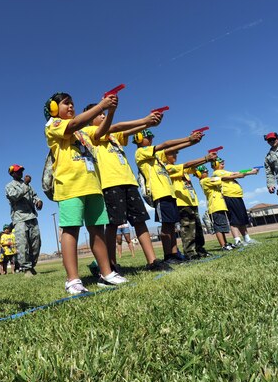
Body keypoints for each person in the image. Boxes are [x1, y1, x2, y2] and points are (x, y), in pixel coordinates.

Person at [44, 91, 127, 294]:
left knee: (97, 229)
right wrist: (100, 106)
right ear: (54, 110)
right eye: (66, 104)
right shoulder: (53, 125)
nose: (71, 106)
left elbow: (101, 132)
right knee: (71, 229)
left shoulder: (84, 131)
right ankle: (73, 280)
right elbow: (72, 125)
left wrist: (111, 111)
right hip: (71, 186)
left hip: (92, 186)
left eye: (72, 103)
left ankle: (106, 274)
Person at [81, 104, 168, 272]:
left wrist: (148, 124)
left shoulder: (114, 136)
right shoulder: (89, 133)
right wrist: (145, 121)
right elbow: (117, 126)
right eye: (99, 114)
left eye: (104, 114)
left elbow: (126, 131)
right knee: (113, 224)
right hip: (109, 183)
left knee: (140, 220)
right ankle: (111, 264)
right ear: (90, 118)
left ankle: (152, 261)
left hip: (128, 181)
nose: (103, 116)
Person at [134, 128, 204, 264]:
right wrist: (188, 139)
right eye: (148, 136)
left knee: (171, 225)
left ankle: (174, 254)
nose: (151, 139)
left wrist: (192, 142)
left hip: (169, 193)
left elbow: (171, 148)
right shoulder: (141, 152)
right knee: (166, 226)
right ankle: (168, 256)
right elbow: (167, 145)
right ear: (139, 138)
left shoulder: (156, 158)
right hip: (160, 193)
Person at [164, 150, 217, 259]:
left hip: (192, 201)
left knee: (197, 229)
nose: (175, 155)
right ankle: (190, 253)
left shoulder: (183, 169)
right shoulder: (167, 168)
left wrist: (208, 160)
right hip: (182, 203)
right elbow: (188, 164)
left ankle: (200, 250)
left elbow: (193, 166)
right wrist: (206, 158)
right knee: (188, 229)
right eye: (172, 154)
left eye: (176, 153)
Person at [211, 158, 260, 246]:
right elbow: (230, 176)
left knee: (242, 218)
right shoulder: (217, 172)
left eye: (223, 163)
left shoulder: (224, 171)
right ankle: (237, 240)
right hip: (230, 196)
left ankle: (247, 239)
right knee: (234, 219)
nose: (223, 164)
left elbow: (237, 172)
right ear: (215, 164)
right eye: (221, 163)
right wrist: (246, 173)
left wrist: (250, 171)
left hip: (237, 196)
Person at [5, 165, 43, 276]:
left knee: (36, 243)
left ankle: (32, 266)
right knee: (23, 244)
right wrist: (25, 184)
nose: (21, 173)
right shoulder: (9, 186)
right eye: (18, 171)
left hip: (31, 216)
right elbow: (14, 196)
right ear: (12, 174)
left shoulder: (28, 186)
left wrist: (38, 201)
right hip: (19, 218)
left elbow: (35, 195)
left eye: (21, 171)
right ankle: (26, 268)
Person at [197, 165, 234, 251]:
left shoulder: (208, 179)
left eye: (206, 171)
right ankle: (223, 245)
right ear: (200, 174)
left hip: (220, 205)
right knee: (218, 227)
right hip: (214, 206)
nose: (207, 173)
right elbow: (218, 181)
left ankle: (225, 243)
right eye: (204, 172)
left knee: (222, 226)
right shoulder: (204, 181)